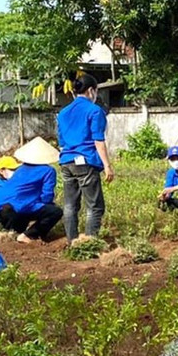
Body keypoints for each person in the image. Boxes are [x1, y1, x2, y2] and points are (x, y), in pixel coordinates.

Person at [57, 73, 113, 244]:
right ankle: (89, 243)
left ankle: (72, 242)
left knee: (70, 205)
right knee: (95, 206)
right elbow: (98, 140)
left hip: (66, 161)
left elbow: (61, 142)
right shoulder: (95, 111)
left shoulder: (63, 112)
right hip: (86, 162)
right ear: (91, 91)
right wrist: (107, 166)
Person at [0, 137, 64, 243]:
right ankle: (30, 235)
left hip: (1, 208)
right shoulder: (48, 171)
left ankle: (16, 235)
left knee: (15, 232)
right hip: (19, 207)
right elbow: (47, 196)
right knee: (55, 211)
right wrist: (46, 205)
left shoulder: (21, 168)